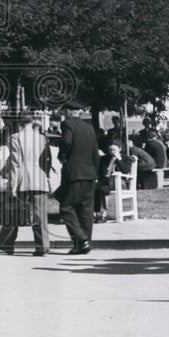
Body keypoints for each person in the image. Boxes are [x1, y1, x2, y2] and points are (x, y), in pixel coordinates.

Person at [0, 113, 52, 256]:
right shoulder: (42, 138)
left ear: (18, 122)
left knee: (13, 213)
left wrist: (12, 185)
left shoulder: (15, 138)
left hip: (23, 179)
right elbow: (47, 160)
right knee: (40, 216)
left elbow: (16, 164)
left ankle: (7, 243)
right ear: (32, 121)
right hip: (40, 178)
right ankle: (42, 246)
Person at [57, 101, 100, 254]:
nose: (63, 114)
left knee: (66, 207)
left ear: (68, 111)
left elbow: (66, 142)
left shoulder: (67, 125)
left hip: (74, 173)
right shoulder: (89, 128)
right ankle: (83, 244)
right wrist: (95, 173)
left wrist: (62, 155)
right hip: (89, 174)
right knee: (85, 210)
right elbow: (95, 153)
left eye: (63, 112)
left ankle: (81, 239)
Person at [94, 141, 133, 222]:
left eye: (114, 149)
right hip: (106, 182)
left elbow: (126, 171)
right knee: (98, 189)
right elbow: (99, 172)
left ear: (120, 149)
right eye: (110, 149)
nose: (112, 151)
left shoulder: (126, 158)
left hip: (119, 182)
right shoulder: (104, 158)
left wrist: (119, 159)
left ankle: (102, 215)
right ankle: (100, 215)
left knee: (101, 187)